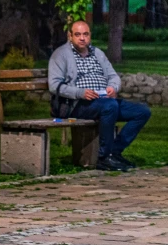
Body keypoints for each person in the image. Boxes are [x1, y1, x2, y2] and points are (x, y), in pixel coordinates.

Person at [48, 20, 151, 171]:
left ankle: (114, 152)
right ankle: (103, 157)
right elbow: (54, 85)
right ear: (70, 36)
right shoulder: (61, 55)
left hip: (103, 99)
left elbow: (113, 76)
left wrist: (113, 87)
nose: (82, 38)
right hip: (76, 105)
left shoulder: (97, 53)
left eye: (85, 34)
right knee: (110, 106)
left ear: (90, 35)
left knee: (142, 111)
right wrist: (80, 93)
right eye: (77, 34)